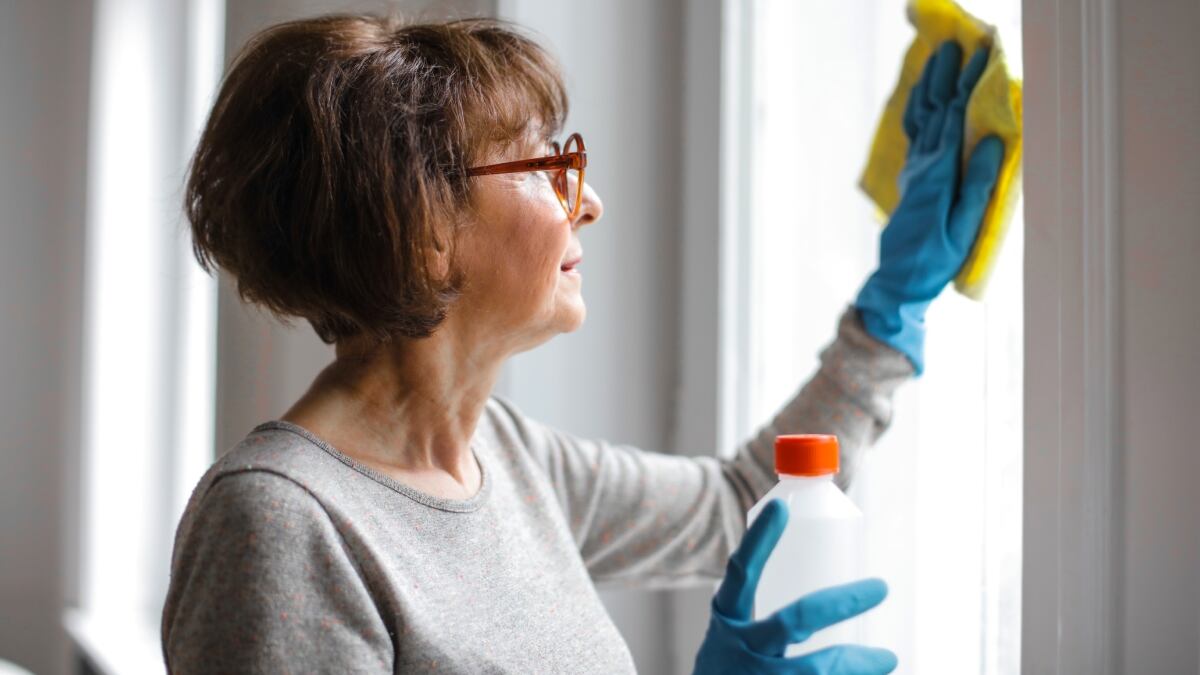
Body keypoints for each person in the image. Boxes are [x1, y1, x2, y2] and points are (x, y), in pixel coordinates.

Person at [160, 13, 1001, 674]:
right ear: (421, 227)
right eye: (540, 165)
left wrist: (891, 307)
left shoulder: (510, 459)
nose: (588, 199)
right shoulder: (281, 523)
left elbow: (739, 504)